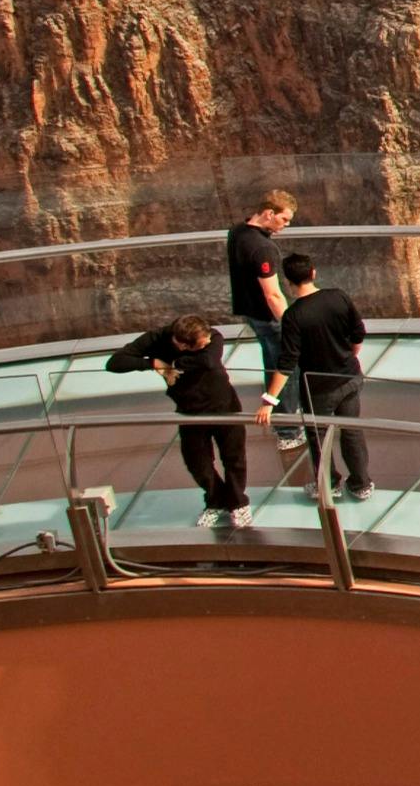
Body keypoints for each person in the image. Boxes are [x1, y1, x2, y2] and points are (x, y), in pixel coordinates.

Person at [108, 310, 251, 533]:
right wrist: (155, 363)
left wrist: (173, 363)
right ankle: (216, 500)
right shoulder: (157, 339)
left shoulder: (213, 336)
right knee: (197, 463)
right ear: (183, 343)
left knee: (234, 458)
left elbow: (209, 361)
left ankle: (238, 503)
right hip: (189, 410)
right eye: (201, 344)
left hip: (225, 407)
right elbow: (115, 362)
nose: (208, 343)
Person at [275, 248, 372, 500]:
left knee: (319, 438)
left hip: (318, 389)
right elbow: (358, 333)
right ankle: (361, 485)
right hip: (349, 377)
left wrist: (269, 399)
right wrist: (349, 355)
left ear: (288, 282)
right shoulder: (338, 297)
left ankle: (329, 484)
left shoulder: (293, 316)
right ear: (313, 273)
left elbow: (287, 362)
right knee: (351, 431)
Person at [223, 188, 296, 432]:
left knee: (271, 361)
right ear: (268, 213)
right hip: (268, 318)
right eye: (284, 219)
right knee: (285, 368)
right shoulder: (263, 248)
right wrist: (291, 324)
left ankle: (279, 418)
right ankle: (288, 427)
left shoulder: (238, 230)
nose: (286, 225)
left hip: (250, 312)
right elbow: (273, 294)